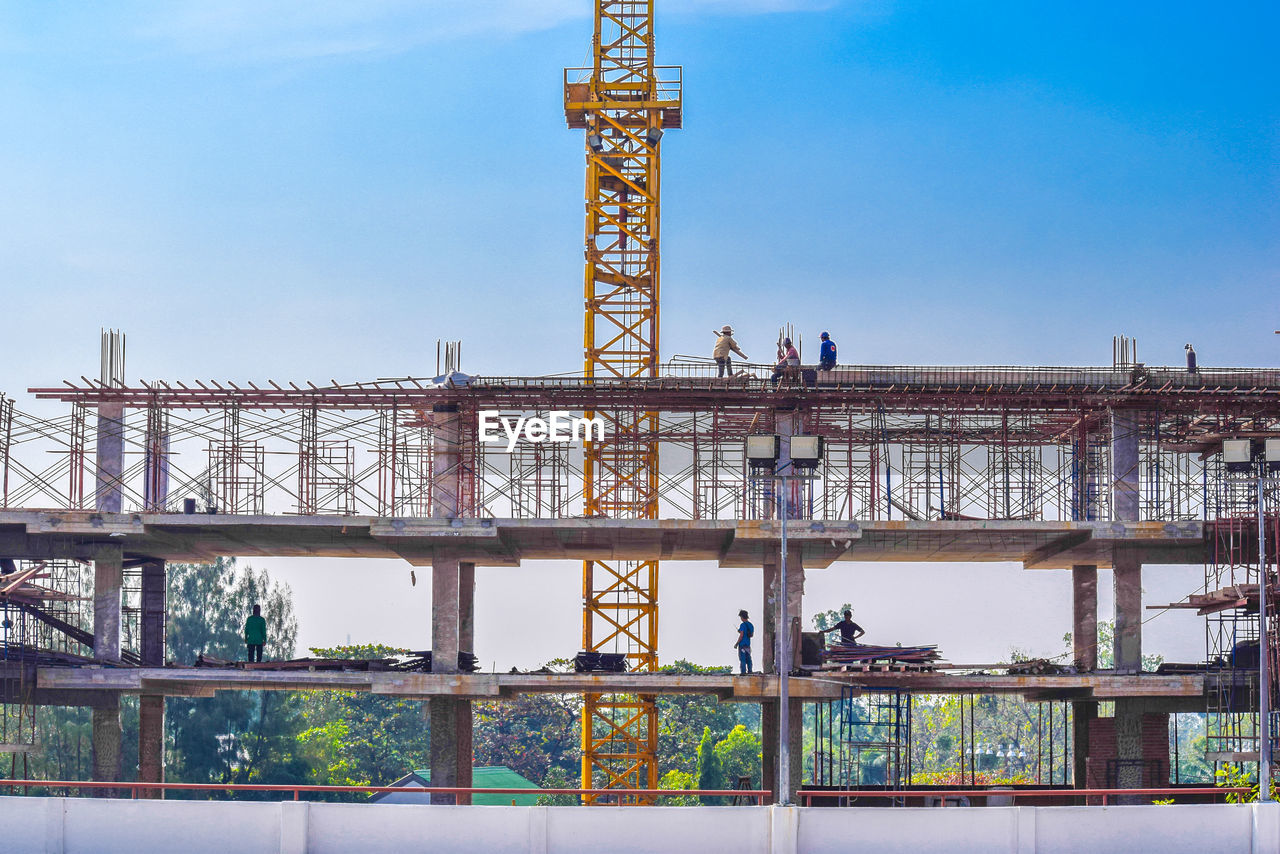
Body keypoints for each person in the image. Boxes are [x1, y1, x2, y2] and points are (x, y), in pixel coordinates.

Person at [734, 609, 754, 674]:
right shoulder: (751, 625)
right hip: (748, 645)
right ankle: (750, 671)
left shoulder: (742, 625)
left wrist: (736, 644)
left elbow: (741, 635)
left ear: (742, 617)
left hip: (742, 645)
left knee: (742, 659)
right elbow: (751, 635)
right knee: (748, 658)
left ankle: (743, 672)